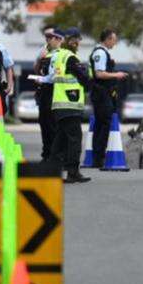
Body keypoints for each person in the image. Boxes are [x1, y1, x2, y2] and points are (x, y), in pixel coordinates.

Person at [49, 28, 92, 183]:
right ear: (71, 41)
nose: (77, 43)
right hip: (70, 104)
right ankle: (73, 172)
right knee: (74, 139)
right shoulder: (71, 58)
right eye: (77, 40)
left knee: (60, 139)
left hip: (59, 105)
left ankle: (51, 171)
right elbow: (84, 78)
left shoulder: (57, 56)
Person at [89, 28, 128, 169]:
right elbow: (99, 74)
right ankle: (98, 158)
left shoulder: (100, 52)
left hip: (101, 93)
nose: (115, 43)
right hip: (101, 93)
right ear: (107, 39)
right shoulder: (100, 52)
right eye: (114, 40)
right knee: (103, 124)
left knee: (100, 124)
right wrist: (116, 75)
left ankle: (97, 157)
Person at [34, 27, 63, 161]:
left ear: (58, 39)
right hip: (44, 92)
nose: (48, 39)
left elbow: (54, 76)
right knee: (44, 123)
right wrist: (40, 59)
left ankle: (54, 156)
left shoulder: (61, 53)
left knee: (52, 125)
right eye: (47, 37)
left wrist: (41, 79)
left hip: (54, 91)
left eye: (51, 37)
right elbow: (37, 69)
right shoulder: (43, 50)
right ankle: (46, 155)